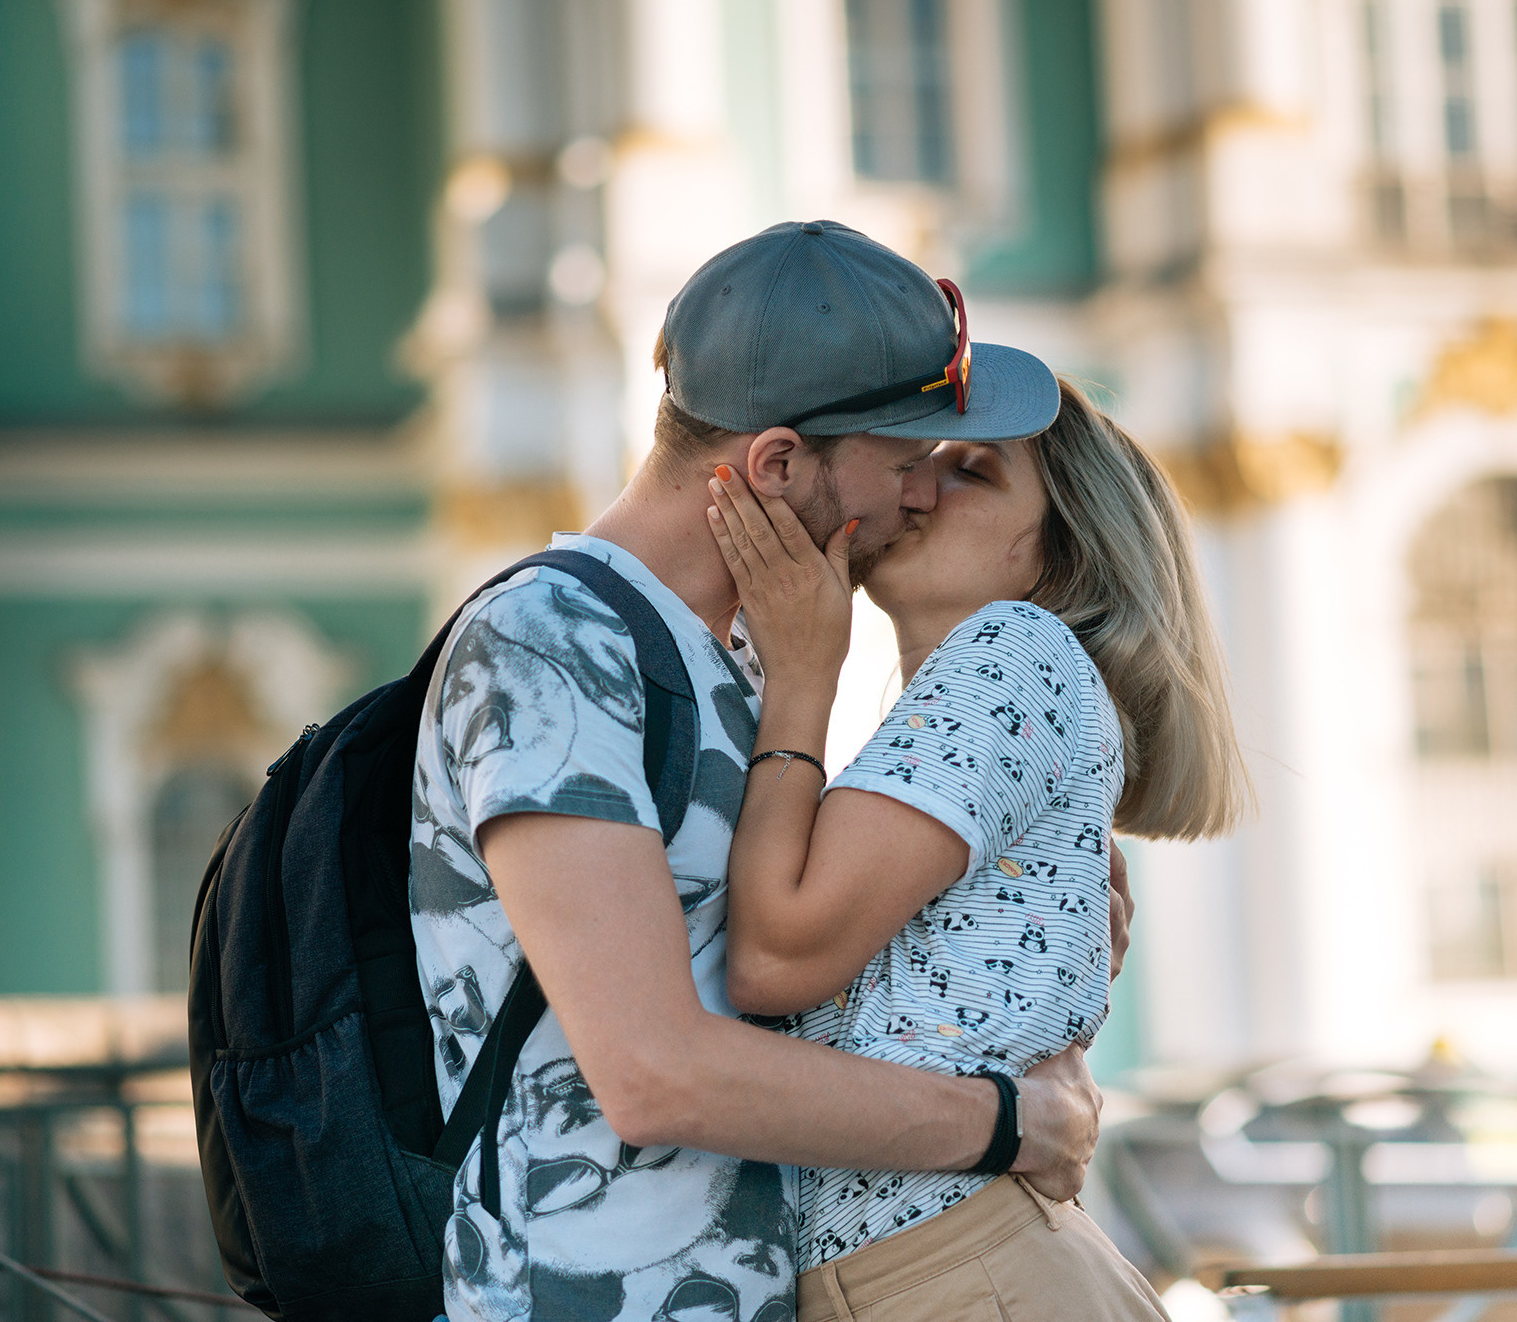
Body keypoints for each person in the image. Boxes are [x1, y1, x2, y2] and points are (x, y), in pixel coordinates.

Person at [410, 220, 1116, 1322]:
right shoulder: (550, 643)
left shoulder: (739, 662)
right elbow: (654, 1071)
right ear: (779, 463)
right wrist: (1003, 1120)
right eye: (899, 459)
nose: (920, 495)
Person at [704, 379, 1252, 1320]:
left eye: (972, 472)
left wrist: (802, 672)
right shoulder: (974, 714)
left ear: (1057, 549)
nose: (917, 486)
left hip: (962, 1273)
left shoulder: (1014, 649)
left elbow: (771, 954)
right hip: (959, 1269)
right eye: (915, 458)